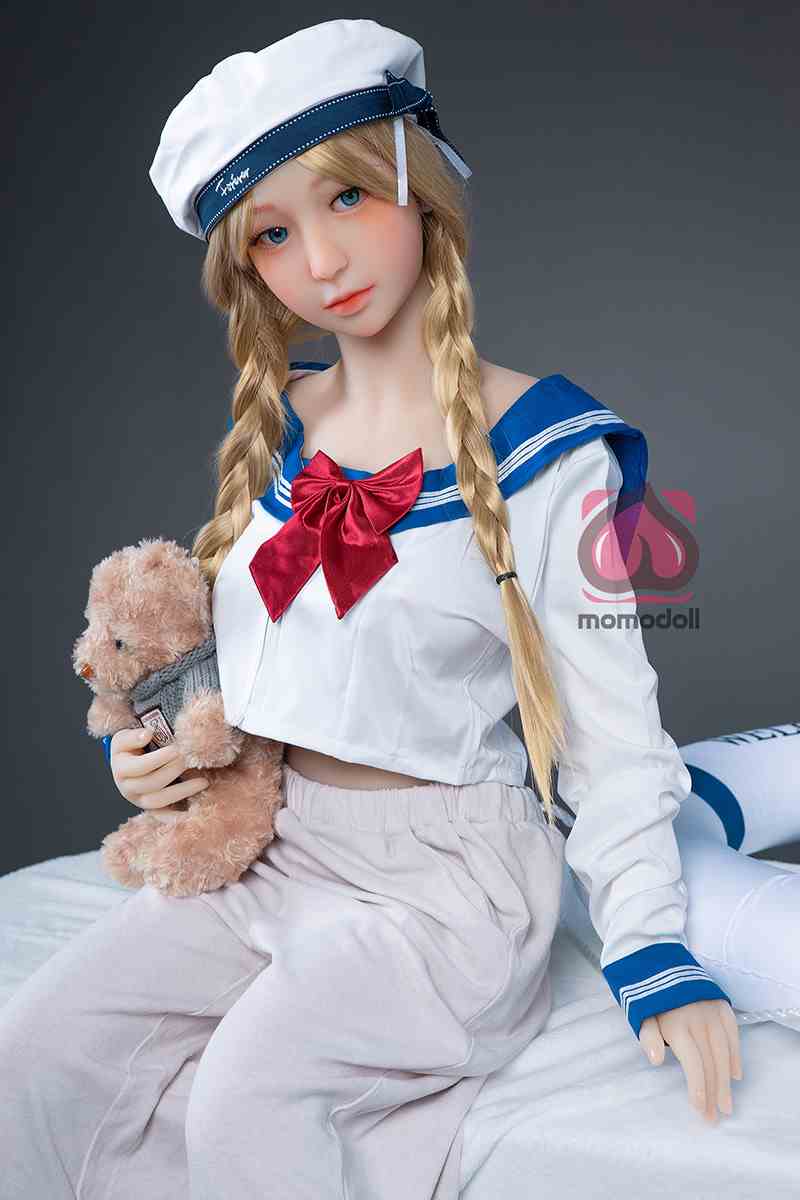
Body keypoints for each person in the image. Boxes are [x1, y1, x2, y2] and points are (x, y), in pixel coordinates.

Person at [0, 19, 744, 1199]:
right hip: (279, 843)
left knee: (248, 1099)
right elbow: (256, 661)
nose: (321, 260)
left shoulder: (550, 454)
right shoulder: (283, 425)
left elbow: (613, 732)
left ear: (420, 184)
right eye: (273, 232)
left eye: (347, 196)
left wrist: (651, 948)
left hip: (447, 887)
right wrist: (156, 760)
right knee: (35, 1050)